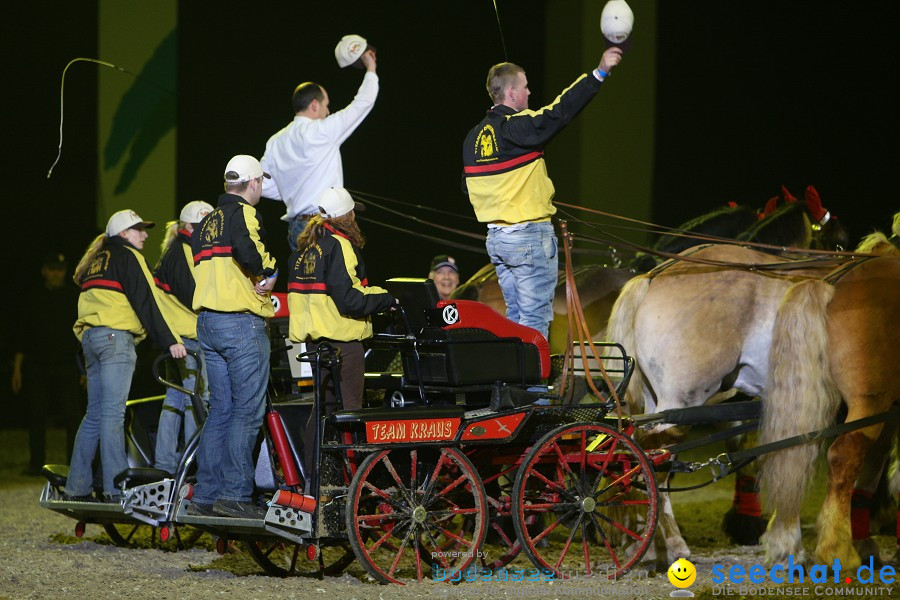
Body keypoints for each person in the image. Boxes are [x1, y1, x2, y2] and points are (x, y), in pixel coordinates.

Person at [461, 47, 623, 340]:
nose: (529, 92)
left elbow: (468, 185)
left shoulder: (472, 138)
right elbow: (561, 111)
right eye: (524, 87)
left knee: (515, 316)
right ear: (511, 92)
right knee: (535, 318)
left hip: (497, 241)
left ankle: (516, 380)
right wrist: (599, 73)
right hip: (528, 238)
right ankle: (532, 384)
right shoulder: (518, 127)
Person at [65, 210, 186, 502]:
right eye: (138, 230)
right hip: (115, 338)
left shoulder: (95, 260)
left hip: (91, 339)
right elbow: (147, 300)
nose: (144, 235)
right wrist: (169, 341)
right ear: (123, 234)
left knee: (94, 415)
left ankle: (77, 486)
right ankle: (115, 489)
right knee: (113, 415)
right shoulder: (129, 256)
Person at [189, 155, 278, 519]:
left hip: (207, 323)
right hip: (239, 323)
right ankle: (236, 494)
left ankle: (206, 495)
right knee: (246, 410)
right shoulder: (244, 214)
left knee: (220, 412)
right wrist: (267, 273)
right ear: (253, 183)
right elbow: (249, 250)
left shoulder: (205, 221)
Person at [287, 187, 395, 484]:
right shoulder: (340, 245)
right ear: (346, 216)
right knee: (351, 412)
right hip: (342, 340)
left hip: (314, 341)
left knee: (321, 411)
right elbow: (350, 300)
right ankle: (356, 482)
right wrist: (387, 298)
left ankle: (315, 480)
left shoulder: (304, 249)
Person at [260, 36, 379, 250]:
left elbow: (262, 185)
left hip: (296, 228)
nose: (328, 111)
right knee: (333, 282)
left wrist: (295, 190)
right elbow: (363, 103)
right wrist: (371, 68)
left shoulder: (274, 142)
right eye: (326, 106)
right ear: (314, 105)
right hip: (324, 225)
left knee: (304, 284)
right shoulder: (323, 130)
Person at [152, 200, 213, 476]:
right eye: (199, 226)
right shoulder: (181, 251)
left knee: (175, 398)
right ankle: (191, 466)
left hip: (175, 337)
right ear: (186, 226)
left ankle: (166, 464)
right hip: (187, 338)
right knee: (195, 399)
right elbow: (194, 296)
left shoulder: (177, 249)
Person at [11, 252, 84, 476]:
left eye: (59, 269)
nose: (55, 273)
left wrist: (86, 368)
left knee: (73, 416)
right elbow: (22, 335)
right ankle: (36, 464)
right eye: (51, 269)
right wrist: (17, 369)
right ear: (44, 270)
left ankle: (73, 465)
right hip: (37, 366)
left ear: (65, 271)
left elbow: (84, 334)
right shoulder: (32, 297)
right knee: (35, 416)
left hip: (68, 365)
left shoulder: (75, 297)